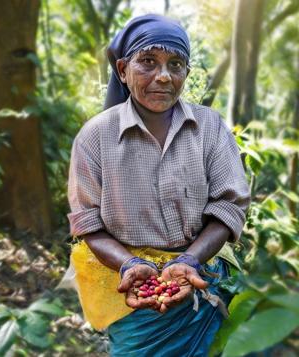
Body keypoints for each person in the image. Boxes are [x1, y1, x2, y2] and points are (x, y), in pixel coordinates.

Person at [67, 14, 250, 357]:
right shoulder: (95, 137)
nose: (164, 76)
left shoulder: (209, 127)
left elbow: (228, 207)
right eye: (148, 62)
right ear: (123, 70)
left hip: (201, 273)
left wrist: (191, 260)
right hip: (128, 288)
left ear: (186, 73)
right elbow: (87, 222)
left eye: (175, 64)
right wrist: (130, 265)